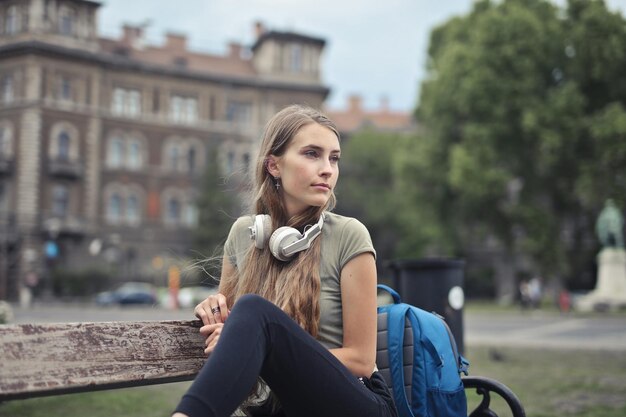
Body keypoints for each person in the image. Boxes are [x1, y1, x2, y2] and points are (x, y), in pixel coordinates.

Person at [172, 105, 398, 417]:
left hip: (352, 404)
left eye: (334, 158)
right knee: (251, 313)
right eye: (311, 154)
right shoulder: (243, 234)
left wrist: (269, 350)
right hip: (275, 409)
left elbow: (361, 359)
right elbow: (232, 336)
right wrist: (216, 315)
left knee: (253, 310)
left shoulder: (349, 235)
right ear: (274, 165)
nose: (327, 169)